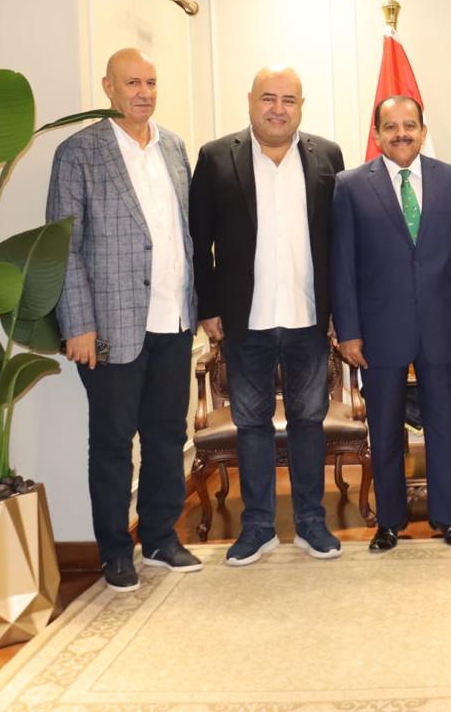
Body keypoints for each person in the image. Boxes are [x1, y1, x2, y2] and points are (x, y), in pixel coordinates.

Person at [47, 47, 200, 592]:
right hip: (109, 328)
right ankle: (114, 550)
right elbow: (63, 247)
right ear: (108, 87)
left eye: (151, 83)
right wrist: (77, 324)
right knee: (113, 443)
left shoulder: (173, 147)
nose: (144, 93)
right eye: (132, 83)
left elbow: (184, 233)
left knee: (167, 434)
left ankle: (159, 537)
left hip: (173, 319)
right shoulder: (78, 153)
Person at [189, 66, 345, 565]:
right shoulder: (216, 157)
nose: (278, 109)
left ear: (302, 106)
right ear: (251, 100)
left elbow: (340, 242)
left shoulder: (327, 156)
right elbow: (199, 242)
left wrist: (340, 310)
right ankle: (257, 527)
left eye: (289, 100)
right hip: (244, 320)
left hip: (308, 317)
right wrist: (209, 307)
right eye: (269, 98)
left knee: (309, 419)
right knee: (251, 423)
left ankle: (311, 523)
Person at [331, 96, 451, 551]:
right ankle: (389, 522)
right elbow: (342, 265)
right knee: (385, 429)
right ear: (377, 135)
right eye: (391, 127)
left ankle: (448, 519)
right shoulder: (350, 185)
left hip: (441, 326)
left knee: (444, 427)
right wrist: (348, 331)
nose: (401, 134)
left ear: (423, 130)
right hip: (379, 330)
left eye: (409, 125)